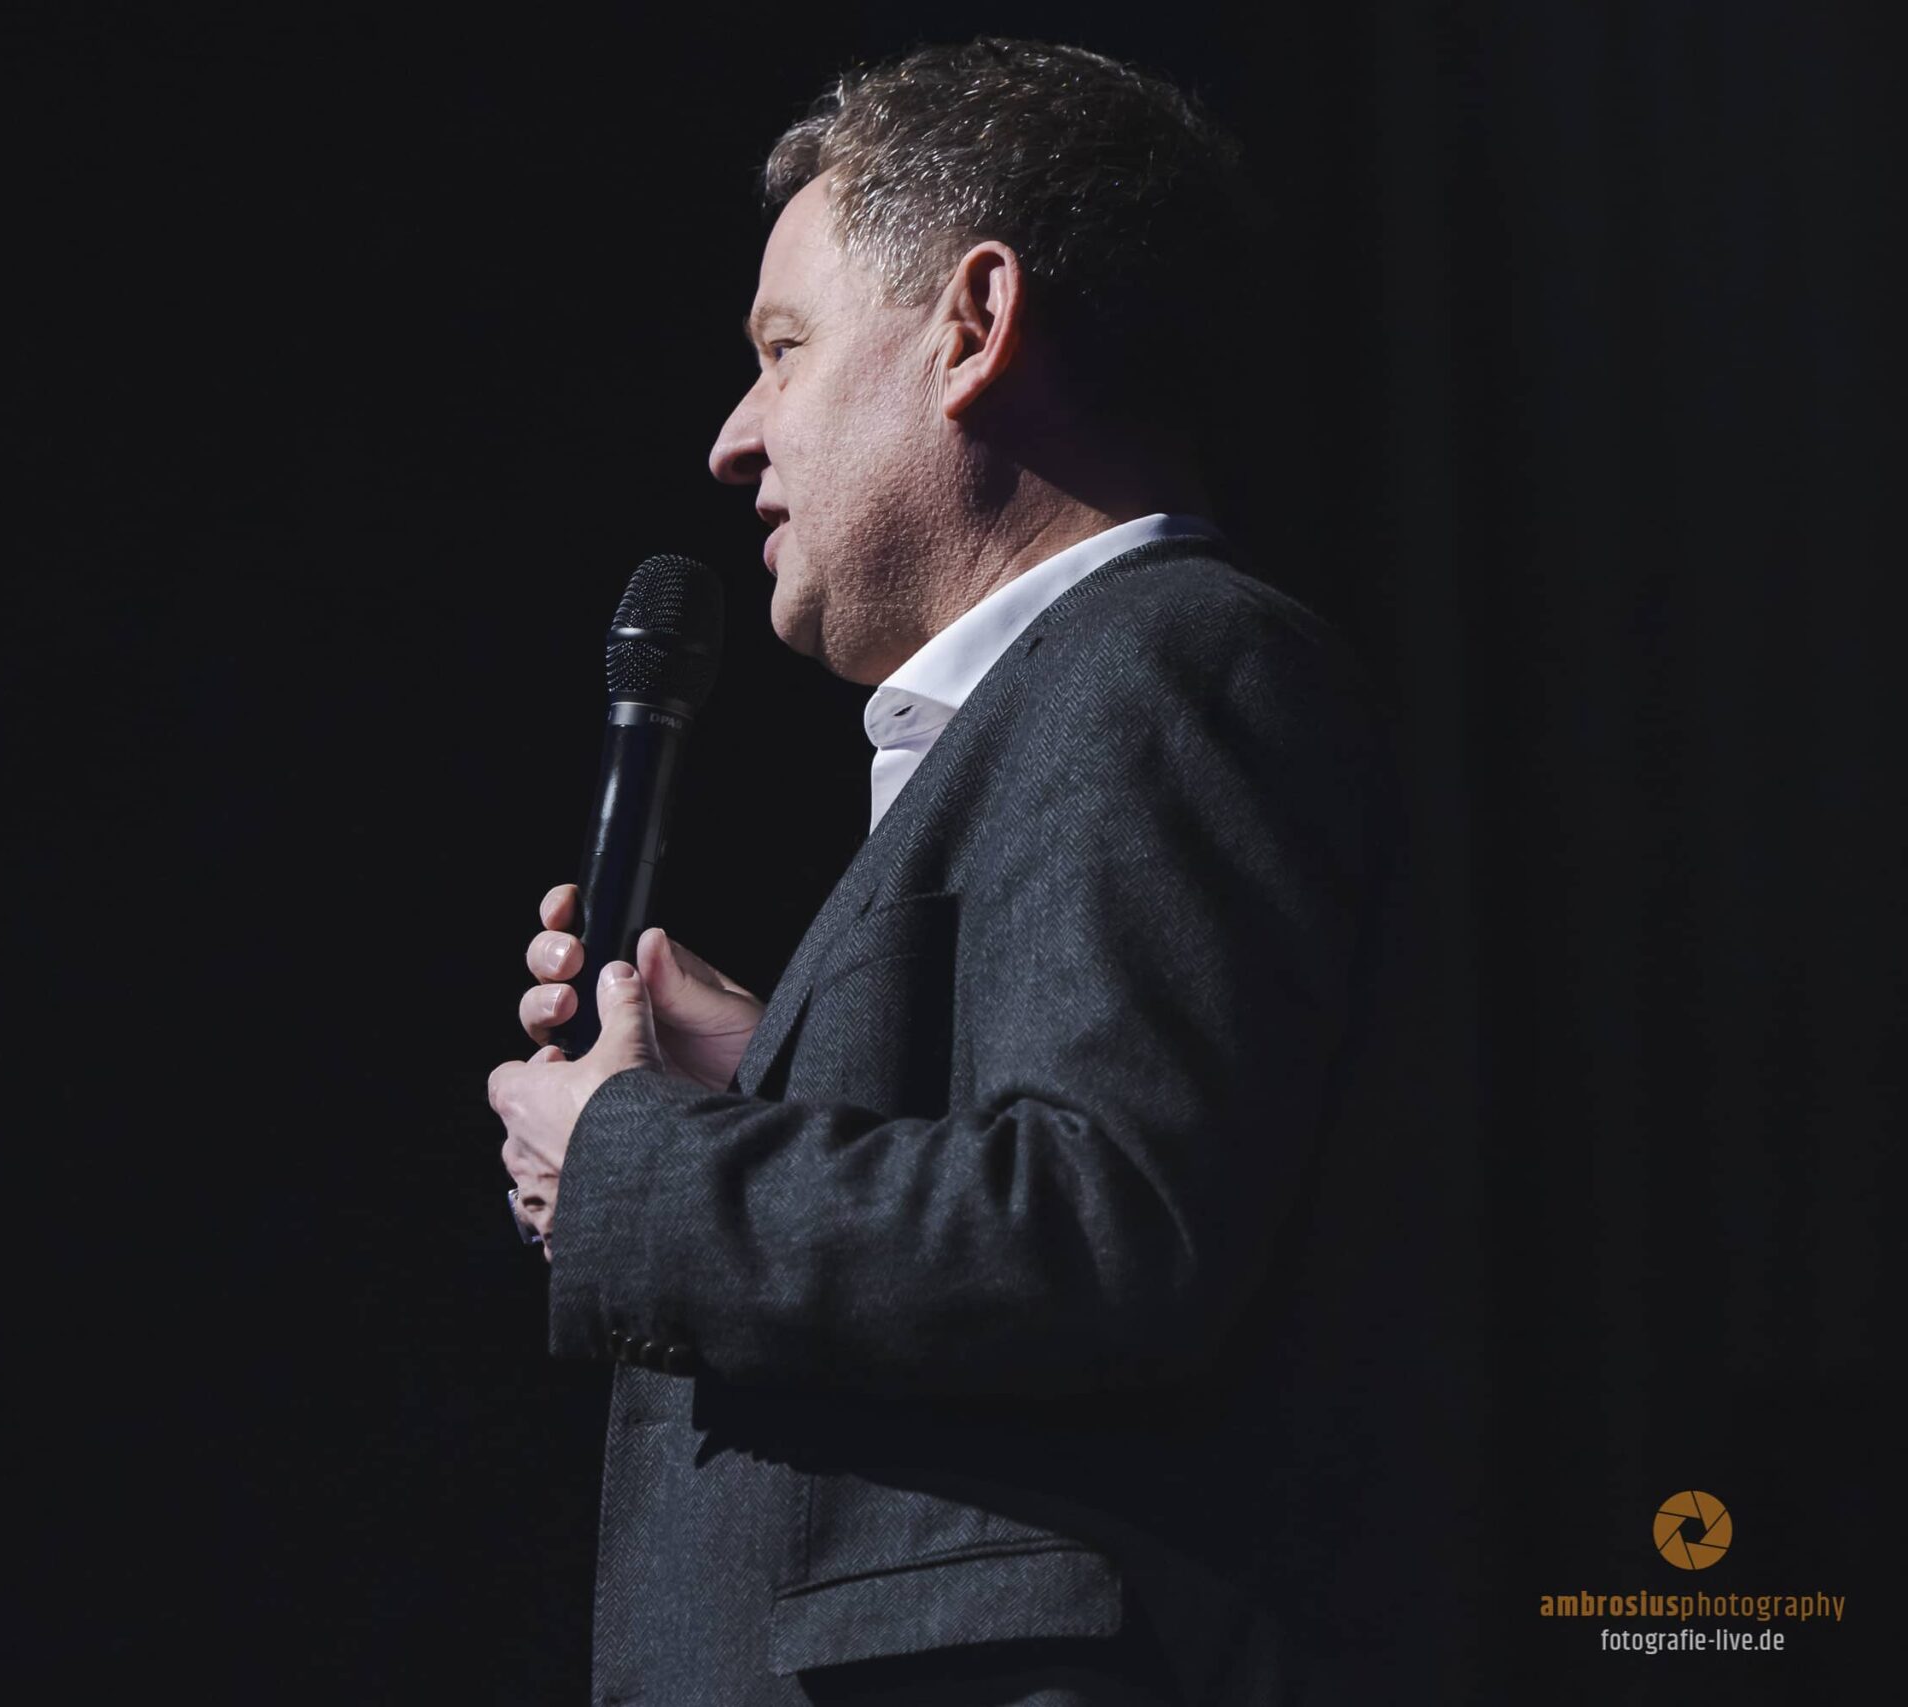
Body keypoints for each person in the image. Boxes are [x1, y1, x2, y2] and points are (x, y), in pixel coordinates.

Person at [487, 39, 1435, 1706]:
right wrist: (756, 1080)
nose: (731, 440)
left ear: (975, 325)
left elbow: (1105, 1227)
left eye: (782, 349)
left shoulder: (1165, 664)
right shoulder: (1086, 698)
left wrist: (633, 1167)